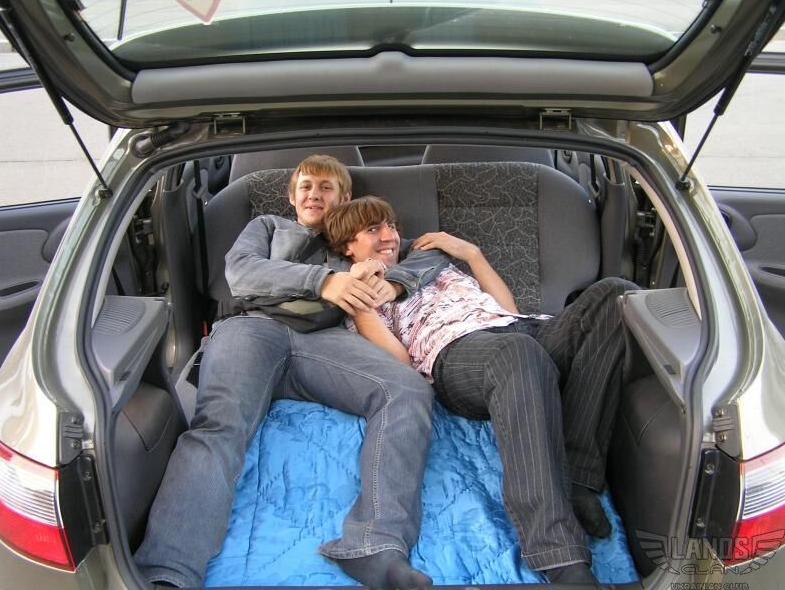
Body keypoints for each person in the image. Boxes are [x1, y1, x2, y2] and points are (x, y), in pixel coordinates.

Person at [135, 157, 447, 589]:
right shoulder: (268, 226)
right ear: (292, 196)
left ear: (345, 197)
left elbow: (430, 256)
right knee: (220, 425)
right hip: (252, 329)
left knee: (407, 391)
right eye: (305, 187)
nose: (314, 194)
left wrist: (394, 282)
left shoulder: (358, 236)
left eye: (326, 187)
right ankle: (169, 570)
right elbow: (240, 271)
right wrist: (324, 281)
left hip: (324, 341)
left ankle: (376, 545)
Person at [323, 196, 639, 585]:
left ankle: (578, 476)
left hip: (520, 330)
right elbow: (400, 363)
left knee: (618, 295)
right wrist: (362, 299)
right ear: (347, 246)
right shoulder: (358, 295)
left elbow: (506, 309)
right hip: (455, 355)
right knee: (516, 352)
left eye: (390, 225)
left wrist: (472, 254)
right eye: (373, 230)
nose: (389, 235)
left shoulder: (431, 265)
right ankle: (559, 554)